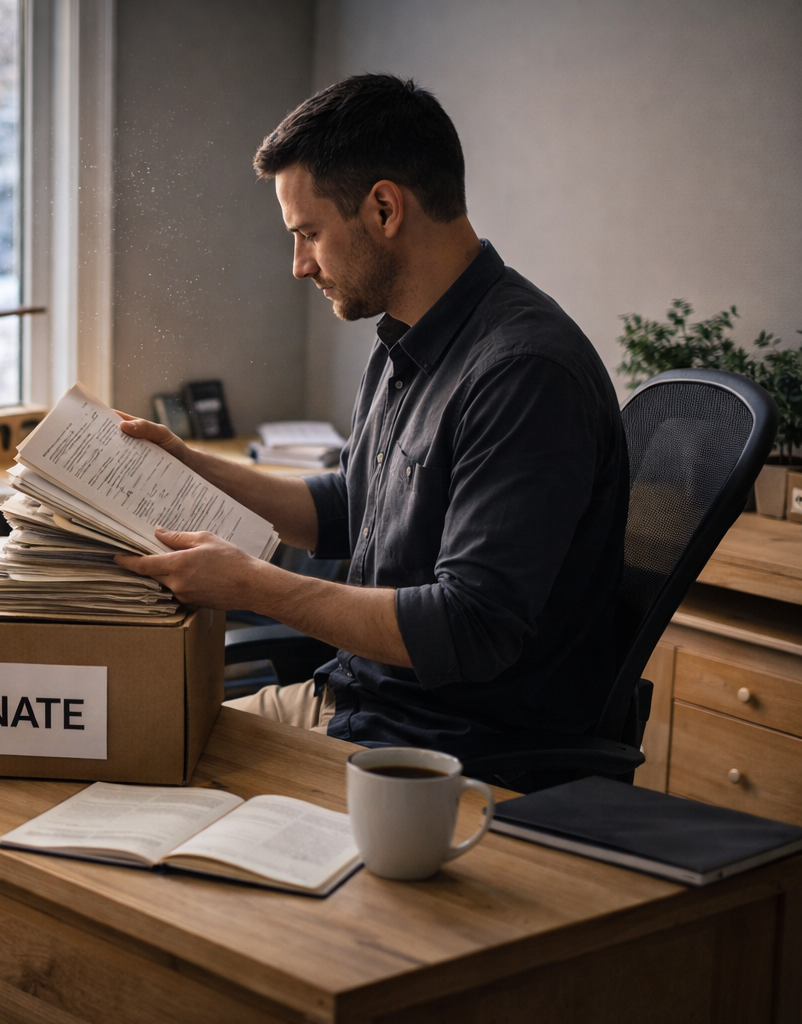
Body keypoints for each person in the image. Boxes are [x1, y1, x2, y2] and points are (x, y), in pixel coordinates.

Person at [114, 74, 629, 776]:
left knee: (135, 770)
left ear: (385, 208)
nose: (299, 266)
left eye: (309, 234)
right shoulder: (408, 341)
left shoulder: (524, 371)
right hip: (353, 706)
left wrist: (252, 586)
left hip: (441, 753)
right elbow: (347, 511)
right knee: (117, 736)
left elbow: (470, 627)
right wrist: (183, 461)